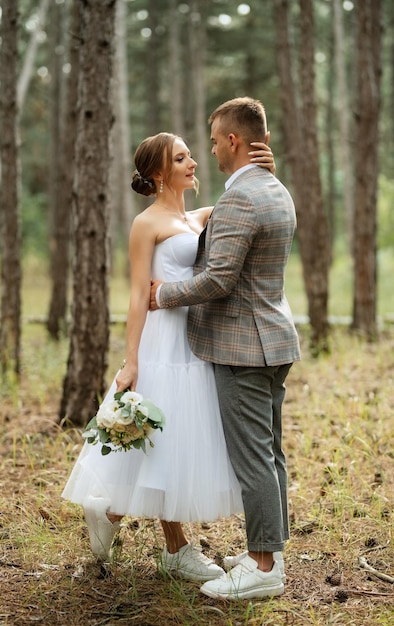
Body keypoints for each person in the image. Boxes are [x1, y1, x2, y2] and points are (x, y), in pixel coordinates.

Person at [61, 131, 276, 583]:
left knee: (174, 444)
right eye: (181, 158)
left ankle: (115, 513)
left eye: (192, 155)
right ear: (159, 173)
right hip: (162, 344)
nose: (193, 162)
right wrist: (131, 359)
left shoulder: (198, 218)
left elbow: (247, 200)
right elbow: (140, 295)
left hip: (196, 342)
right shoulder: (147, 224)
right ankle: (173, 546)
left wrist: (264, 169)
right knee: (156, 439)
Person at [150, 97, 301, 600]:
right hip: (274, 340)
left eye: (214, 141)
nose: (210, 150)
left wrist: (162, 295)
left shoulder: (241, 196)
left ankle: (262, 568)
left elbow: (218, 279)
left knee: (254, 458)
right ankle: (269, 550)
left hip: (243, 348)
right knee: (272, 453)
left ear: (233, 140)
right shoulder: (275, 188)